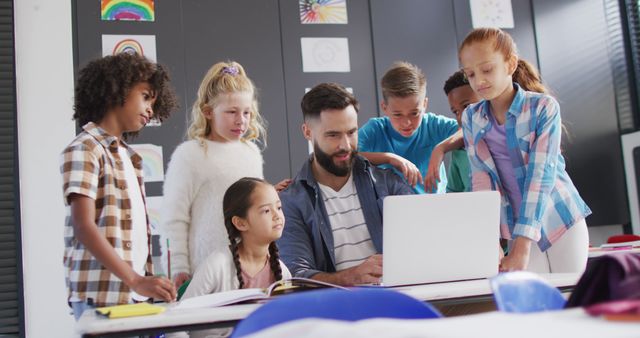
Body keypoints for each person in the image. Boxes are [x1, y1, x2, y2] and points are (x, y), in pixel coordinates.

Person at [458, 27, 591, 272]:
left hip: (559, 219)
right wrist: (491, 239)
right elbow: (481, 181)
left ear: (510, 64)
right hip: (515, 228)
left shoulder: (543, 107)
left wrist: (523, 243)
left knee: (571, 303)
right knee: (533, 307)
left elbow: (541, 176)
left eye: (487, 69)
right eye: (471, 74)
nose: (479, 81)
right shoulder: (471, 118)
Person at [60, 53, 178, 319]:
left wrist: (144, 281)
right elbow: (83, 226)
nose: (150, 109)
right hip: (100, 297)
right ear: (118, 89)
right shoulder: (84, 148)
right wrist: (135, 279)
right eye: (146, 97)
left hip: (131, 297)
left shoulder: (130, 158)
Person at [278, 83, 413, 286]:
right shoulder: (291, 201)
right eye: (333, 135)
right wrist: (352, 277)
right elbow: (296, 275)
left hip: (397, 300)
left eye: (351, 132)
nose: (345, 145)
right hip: (338, 310)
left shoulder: (388, 184)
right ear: (307, 132)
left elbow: (423, 244)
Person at [161, 61, 269, 288]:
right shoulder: (190, 155)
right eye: (232, 112)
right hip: (202, 272)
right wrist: (178, 267)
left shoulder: (251, 153)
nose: (241, 120)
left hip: (246, 271)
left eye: (247, 112)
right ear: (208, 112)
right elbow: (174, 218)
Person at [358, 62, 459, 193]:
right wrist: (389, 158)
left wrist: (440, 148)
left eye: (414, 113)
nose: (406, 122)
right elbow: (349, 157)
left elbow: (470, 130)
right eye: (398, 114)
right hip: (391, 208)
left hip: (435, 206)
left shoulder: (433, 125)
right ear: (385, 108)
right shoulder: (375, 129)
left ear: (424, 104)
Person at [182, 177, 291, 298]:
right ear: (240, 223)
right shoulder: (216, 265)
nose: (277, 216)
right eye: (266, 211)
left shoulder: (282, 271)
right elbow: (183, 311)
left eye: (279, 207)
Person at [442, 70, 480, 193]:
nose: (461, 116)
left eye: (466, 106)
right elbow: (453, 192)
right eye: (456, 112)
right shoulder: (459, 152)